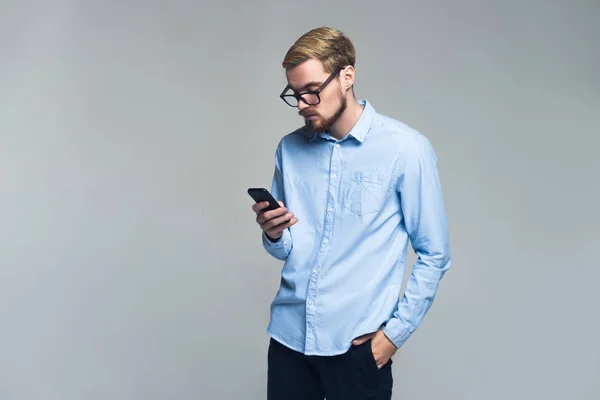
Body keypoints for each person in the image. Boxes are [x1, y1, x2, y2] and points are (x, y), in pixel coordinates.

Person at [251, 26, 452, 400]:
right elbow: (287, 248)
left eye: (312, 90)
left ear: (347, 75)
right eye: (294, 94)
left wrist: (392, 337)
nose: (302, 104)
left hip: (356, 350)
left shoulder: (406, 149)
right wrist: (274, 233)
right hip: (289, 339)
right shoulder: (289, 149)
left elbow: (435, 254)